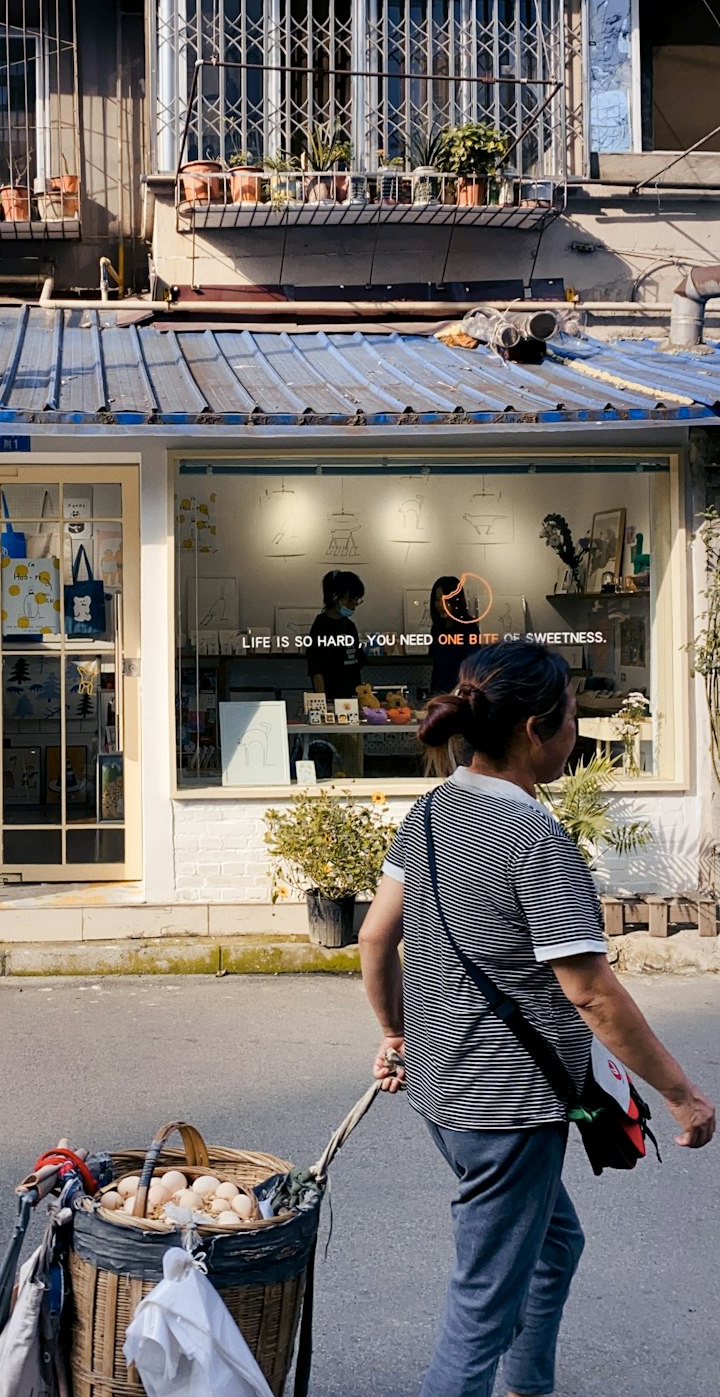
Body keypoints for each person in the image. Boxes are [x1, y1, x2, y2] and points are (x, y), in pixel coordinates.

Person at [358, 641, 715, 1397]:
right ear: (534, 729)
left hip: (446, 1095)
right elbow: (592, 993)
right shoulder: (534, 839)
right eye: (570, 719)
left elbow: (372, 936)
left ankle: (529, 1384)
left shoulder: (429, 813)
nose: (574, 734)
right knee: (482, 1302)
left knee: (553, 1245)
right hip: (507, 1110)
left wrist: (395, 1032)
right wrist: (681, 1094)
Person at [305, 569, 366, 704]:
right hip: (332, 699)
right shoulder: (321, 627)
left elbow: (358, 661)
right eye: (351, 599)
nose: (355, 604)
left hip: (353, 697)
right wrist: (323, 703)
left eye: (357, 600)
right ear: (336, 597)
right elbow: (316, 670)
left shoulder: (349, 626)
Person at [428, 575, 474, 695]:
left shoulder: (469, 628)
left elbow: (472, 667)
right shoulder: (437, 629)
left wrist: (455, 694)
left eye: (446, 599)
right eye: (437, 599)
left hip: (460, 695)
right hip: (438, 693)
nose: (441, 605)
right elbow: (437, 665)